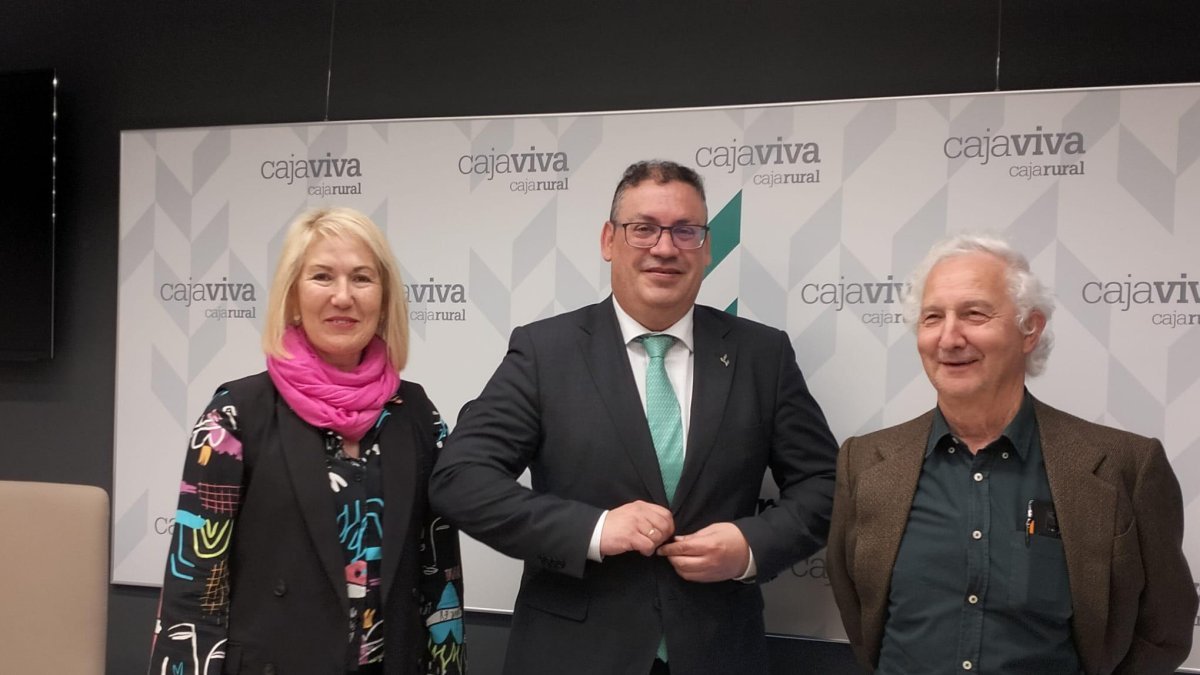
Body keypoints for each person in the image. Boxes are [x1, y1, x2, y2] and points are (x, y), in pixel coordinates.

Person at [429, 160, 838, 675]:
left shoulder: (763, 355)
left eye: (685, 231)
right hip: (571, 654)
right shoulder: (544, 352)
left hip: (719, 651)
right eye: (642, 228)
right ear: (609, 240)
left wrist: (751, 546)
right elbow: (460, 480)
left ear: (707, 248)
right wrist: (594, 529)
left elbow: (825, 484)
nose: (664, 248)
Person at [826, 233, 1197, 675]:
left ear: (1029, 330)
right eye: (932, 317)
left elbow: (1163, 631)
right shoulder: (865, 464)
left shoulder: (1126, 467)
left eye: (974, 314)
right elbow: (858, 611)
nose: (948, 337)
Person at [149, 207, 466, 675]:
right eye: (322, 276)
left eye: (362, 278)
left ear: (384, 298)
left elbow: (440, 577)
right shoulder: (236, 414)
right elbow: (194, 587)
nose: (343, 296)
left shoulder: (418, 414)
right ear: (293, 296)